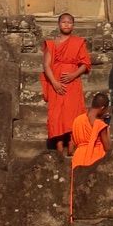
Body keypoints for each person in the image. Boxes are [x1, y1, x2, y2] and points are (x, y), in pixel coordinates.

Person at [41, 12, 91, 151]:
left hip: (72, 82)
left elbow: (85, 64)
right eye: (64, 22)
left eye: (69, 22)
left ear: (73, 25)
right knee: (56, 112)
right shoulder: (51, 43)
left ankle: (71, 141)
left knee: (72, 111)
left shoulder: (78, 42)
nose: (66, 24)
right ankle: (58, 143)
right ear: (58, 24)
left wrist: (73, 75)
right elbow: (46, 65)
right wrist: (54, 83)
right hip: (55, 81)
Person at [69, 92, 111, 219]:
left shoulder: (77, 120)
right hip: (95, 156)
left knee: (75, 189)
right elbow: (107, 147)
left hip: (79, 155)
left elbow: (71, 146)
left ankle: (73, 217)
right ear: (103, 108)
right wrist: (107, 128)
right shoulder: (100, 125)